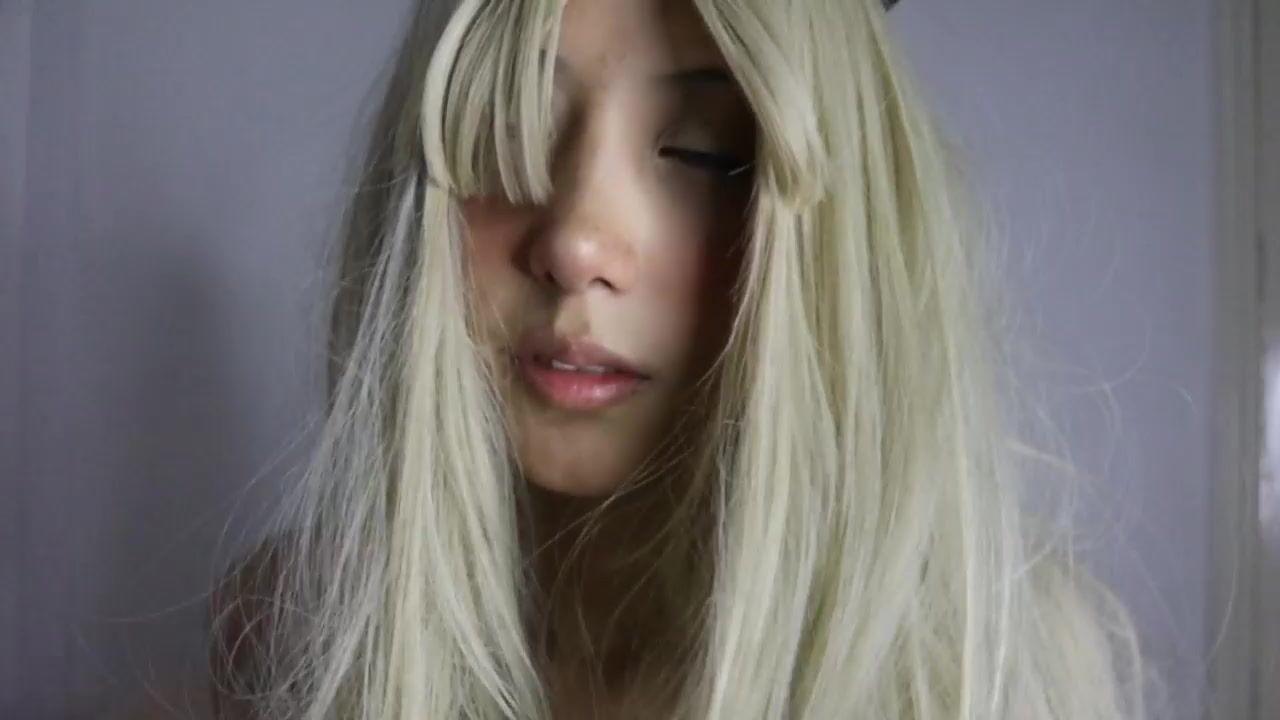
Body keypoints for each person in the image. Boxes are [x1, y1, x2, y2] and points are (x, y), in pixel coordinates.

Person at [208, 0, 1148, 717]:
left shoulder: (998, 672)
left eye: (709, 156)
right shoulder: (291, 635)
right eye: (510, 128)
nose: (576, 242)